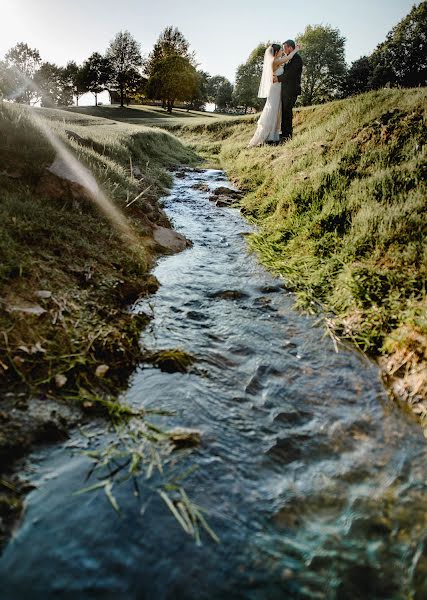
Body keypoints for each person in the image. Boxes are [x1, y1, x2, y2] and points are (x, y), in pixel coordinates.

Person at [248, 43, 300, 147]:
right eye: (281, 50)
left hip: (277, 89)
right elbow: (289, 57)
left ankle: (273, 136)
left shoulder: (277, 61)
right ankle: (264, 136)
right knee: (272, 110)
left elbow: (287, 60)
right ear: (276, 52)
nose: (282, 52)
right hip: (275, 90)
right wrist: (297, 49)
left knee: (276, 111)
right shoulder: (275, 61)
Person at [274, 39, 303, 142]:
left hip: (292, 90)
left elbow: (290, 74)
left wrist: (278, 78)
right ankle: (284, 134)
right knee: (284, 112)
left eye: (285, 47)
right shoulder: (288, 58)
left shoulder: (297, 59)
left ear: (290, 47)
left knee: (287, 111)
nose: (284, 49)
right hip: (285, 90)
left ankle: (288, 135)